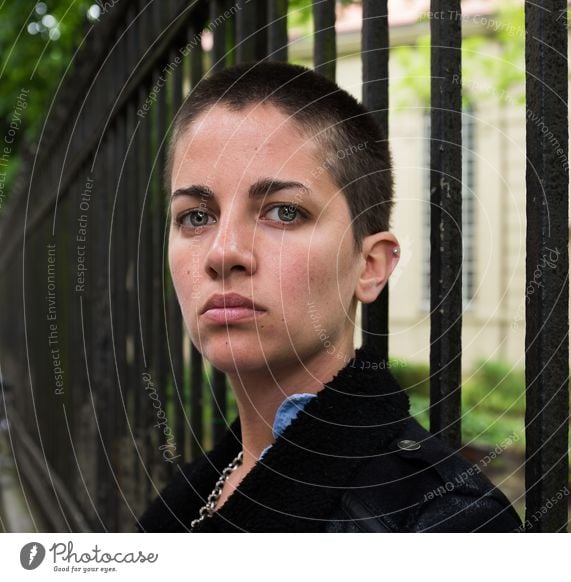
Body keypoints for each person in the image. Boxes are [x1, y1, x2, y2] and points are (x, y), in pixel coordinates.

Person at [136, 60, 521, 532]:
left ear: (370, 265)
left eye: (283, 211)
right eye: (196, 217)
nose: (223, 253)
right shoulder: (196, 491)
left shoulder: (446, 524)